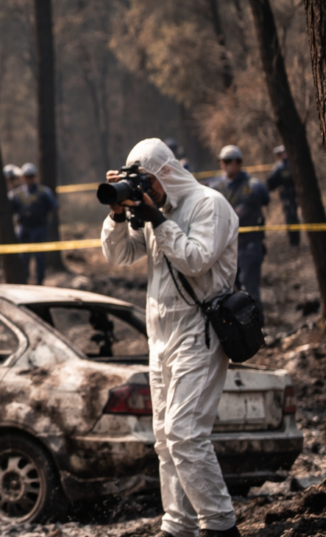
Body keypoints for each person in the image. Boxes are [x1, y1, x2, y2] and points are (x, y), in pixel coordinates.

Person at [101, 138, 241, 537]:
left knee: (185, 434)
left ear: (166, 173)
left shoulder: (208, 205)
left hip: (200, 333)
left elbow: (195, 259)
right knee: (165, 440)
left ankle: (219, 525)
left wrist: (158, 221)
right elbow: (119, 256)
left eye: (147, 182)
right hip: (160, 337)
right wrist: (117, 214)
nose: (145, 192)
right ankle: (177, 524)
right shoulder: (153, 211)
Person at [206, 145, 269, 309]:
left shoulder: (252, 186)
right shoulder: (215, 186)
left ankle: (258, 329)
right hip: (226, 249)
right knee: (229, 293)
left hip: (249, 246)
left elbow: (263, 197)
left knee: (250, 290)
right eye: (222, 161)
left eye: (227, 161)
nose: (224, 165)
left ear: (238, 163)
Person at [10, 162, 58, 284]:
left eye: (31, 176)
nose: (29, 179)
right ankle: (24, 283)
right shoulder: (16, 194)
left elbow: (53, 207)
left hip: (39, 228)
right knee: (23, 259)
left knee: (40, 259)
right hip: (23, 229)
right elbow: (9, 210)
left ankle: (39, 283)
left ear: (35, 176)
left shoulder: (44, 192)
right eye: (26, 176)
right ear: (22, 178)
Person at [266, 145, 300, 247]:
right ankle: (293, 241)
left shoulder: (292, 164)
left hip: (295, 194)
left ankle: (295, 240)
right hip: (285, 196)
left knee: (293, 216)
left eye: (283, 153)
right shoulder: (278, 167)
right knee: (289, 216)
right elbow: (271, 182)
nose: (282, 156)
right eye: (279, 154)